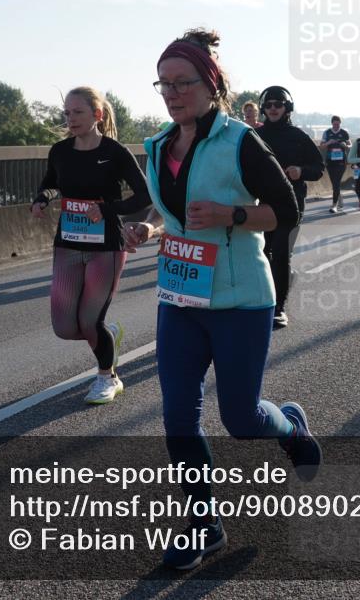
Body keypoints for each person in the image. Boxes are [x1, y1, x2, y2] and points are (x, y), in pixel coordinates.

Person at [123, 28, 322, 570]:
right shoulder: (159, 145)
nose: (170, 93)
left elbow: (287, 210)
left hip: (240, 300)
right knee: (178, 420)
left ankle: (289, 426)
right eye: (163, 84)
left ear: (210, 84)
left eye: (181, 82)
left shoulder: (241, 141)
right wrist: (151, 230)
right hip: (181, 299)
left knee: (240, 419)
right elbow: (175, 218)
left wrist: (232, 215)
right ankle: (204, 524)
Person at [31, 87, 151, 405]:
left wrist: (110, 208)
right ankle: (106, 333)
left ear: (96, 115)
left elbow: (143, 195)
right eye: (67, 113)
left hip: (106, 247)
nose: (70, 119)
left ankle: (106, 377)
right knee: (64, 327)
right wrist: (42, 198)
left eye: (77, 112)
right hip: (68, 244)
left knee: (88, 321)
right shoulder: (59, 151)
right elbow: (51, 182)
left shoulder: (115, 152)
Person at [257, 86, 325, 329]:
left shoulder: (299, 137)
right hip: (261, 205)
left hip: (291, 204)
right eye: (268, 105)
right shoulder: (254, 136)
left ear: (287, 108)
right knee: (262, 255)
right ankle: (263, 299)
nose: (273, 108)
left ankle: (278, 308)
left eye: (278, 104)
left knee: (281, 253)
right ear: (263, 109)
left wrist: (301, 171)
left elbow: (318, 168)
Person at [320, 115, 351, 213]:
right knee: (335, 183)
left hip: (342, 162)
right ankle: (339, 198)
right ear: (332, 123)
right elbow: (321, 146)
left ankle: (334, 205)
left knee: (337, 182)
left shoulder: (344, 133)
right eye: (334, 124)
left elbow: (350, 145)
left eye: (338, 124)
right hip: (330, 161)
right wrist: (328, 142)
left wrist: (345, 145)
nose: (336, 126)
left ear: (340, 123)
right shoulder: (327, 133)